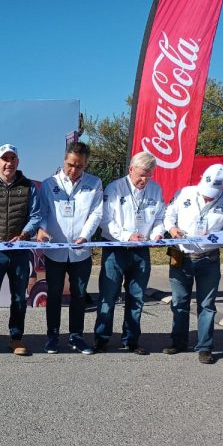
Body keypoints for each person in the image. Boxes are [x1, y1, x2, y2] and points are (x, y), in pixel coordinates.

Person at [163, 163, 223, 364]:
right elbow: (168, 215)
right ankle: (178, 342)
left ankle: (205, 347)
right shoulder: (184, 193)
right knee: (179, 302)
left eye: (212, 194)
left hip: (209, 259)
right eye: (206, 192)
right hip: (181, 257)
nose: (208, 196)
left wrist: (217, 236)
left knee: (207, 305)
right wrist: (172, 230)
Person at [93, 151, 165, 355]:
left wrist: (158, 234)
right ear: (131, 169)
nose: (145, 179)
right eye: (141, 174)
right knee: (108, 297)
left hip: (141, 251)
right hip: (116, 249)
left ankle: (131, 340)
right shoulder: (114, 188)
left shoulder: (155, 189)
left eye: (149, 175)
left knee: (137, 297)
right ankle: (101, 339)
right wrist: (126, 236)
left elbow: (160, 217)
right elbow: (105, 222)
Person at [0, 144, 41, 357]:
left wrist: (24, 234)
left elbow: (35, 216)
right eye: (5, 159)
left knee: (19, 298)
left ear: (17, 162)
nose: (9, 163)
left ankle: (16, 337)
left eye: (12, 158)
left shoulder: (29, 187)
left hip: (20, 251)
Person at [37, 142, 103, 355]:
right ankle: (52, 337)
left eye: (79, 166)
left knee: (79, 294)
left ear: (86, 164)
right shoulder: (49, 184)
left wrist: (85, 235)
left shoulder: (94, 183)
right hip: (55, 251)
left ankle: (77, 337)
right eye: (70, 164)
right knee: (54, 295)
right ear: (64, 159)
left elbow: (96, 213)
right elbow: (44, 212)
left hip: (80, 252)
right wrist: (42, 230)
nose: (74, 170)